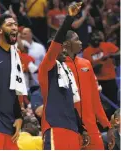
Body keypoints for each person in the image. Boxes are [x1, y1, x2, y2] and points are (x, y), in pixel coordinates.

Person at [38, 2, 89, 149]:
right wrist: (69, 19)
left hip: (72, 128)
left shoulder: (65, 70)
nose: (64, 49)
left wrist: (81, 129)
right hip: (55, 126)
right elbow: (56, 44)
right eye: (61, 47)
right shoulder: (46, 67)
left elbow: (71, 104)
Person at [64, 30, 115, 149]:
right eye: (76, 39)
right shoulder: (58, 66)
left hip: (91, 126)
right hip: (69, 127)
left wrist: (107, 126)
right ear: (66, 44)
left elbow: (95, 100)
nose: (81, 42)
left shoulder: (86, 64)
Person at [0, 14, 26, 150]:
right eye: (9, 25)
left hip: (10, 122)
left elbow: (16, 87)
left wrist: (19, 116)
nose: (14, 27)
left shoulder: (16, 54)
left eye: (15, 24)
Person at [83, 31, 120, 117]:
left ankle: (115, 124)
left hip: (110, 79)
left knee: (113, 102)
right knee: (100, 105)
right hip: (97, 82)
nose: (96, 40)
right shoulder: (86, 52)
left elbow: (119, 52)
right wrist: (95, 67)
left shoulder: (107, 45)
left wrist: (112, 56)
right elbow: (87, 68)